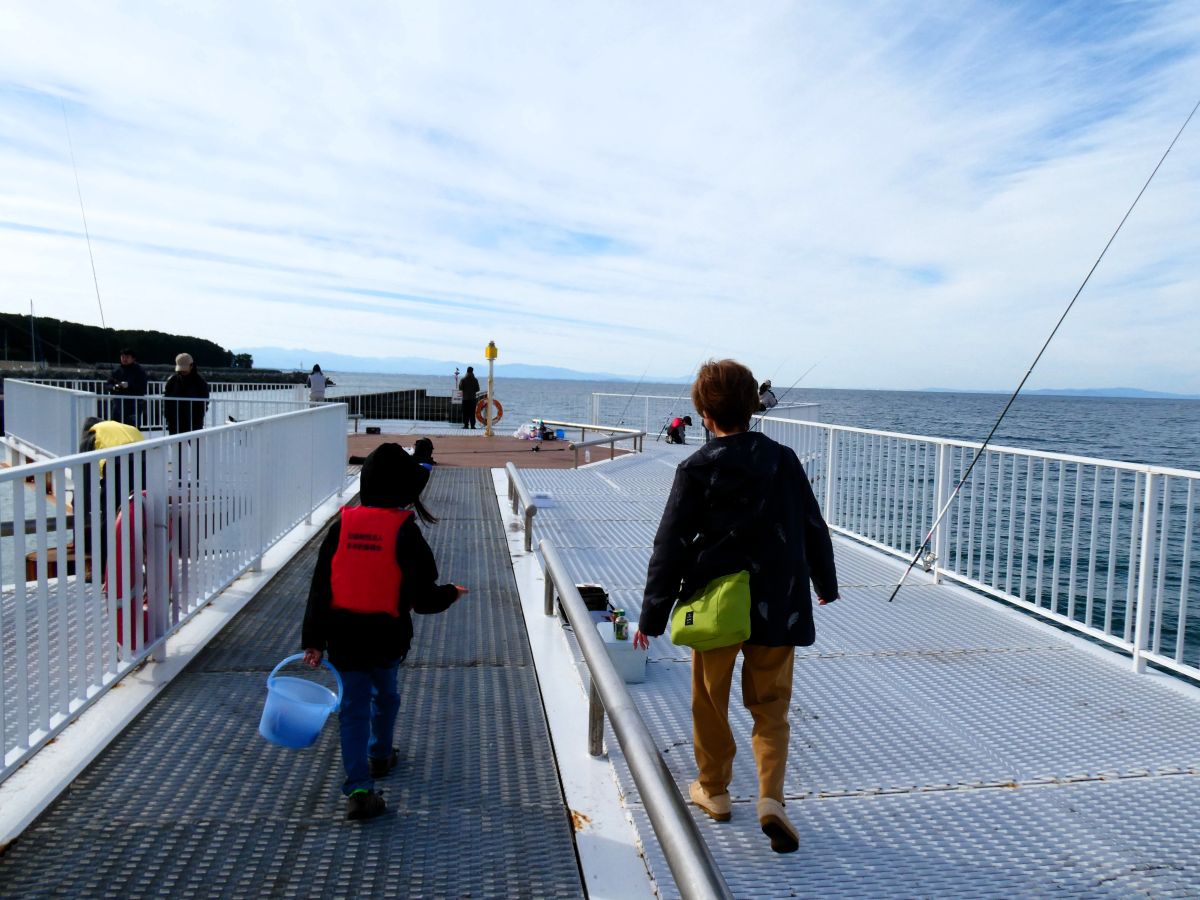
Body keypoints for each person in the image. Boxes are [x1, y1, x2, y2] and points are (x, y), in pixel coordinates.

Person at [633, 359, 838, 854]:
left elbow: (671, 545)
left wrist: (651, 616)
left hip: (717, 604)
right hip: (780, 603)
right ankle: (771, 799)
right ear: (753, 406)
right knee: (771, 708)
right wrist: (825, 581)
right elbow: (812, 524)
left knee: (710, 700)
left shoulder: (697, 467)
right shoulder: (785, 460)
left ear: (703, 413)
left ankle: (715, 791)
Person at [302, 443, 469, 821]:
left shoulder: (341, 527)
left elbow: (320, 588)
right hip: (387, 637)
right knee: (387, 696)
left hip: (343, 638)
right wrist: (451, 595)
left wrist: (312, 641)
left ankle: (359, 787)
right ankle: (380, 754)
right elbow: (423, 596)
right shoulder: (405, 533)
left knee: (352, 710)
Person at [78, 416, 145, 573]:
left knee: (109, 520)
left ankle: (104, 571)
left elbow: (84, 479)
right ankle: (140, 566)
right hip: (145, 463)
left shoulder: (92, 435)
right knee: (141, 514)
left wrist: (81, 508)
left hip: (118, 466)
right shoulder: (122, 427)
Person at [163, 353, 210, 435]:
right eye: (180, 369)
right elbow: (166, 399)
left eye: (184, 369)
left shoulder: (200, 382)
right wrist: (168, 416)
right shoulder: (172, 380)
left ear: (192, 366)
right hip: (174, 421)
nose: (182, 371)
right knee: (177, 446)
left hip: (193, 421)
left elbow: (204, 401)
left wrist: (199, 417)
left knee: (196, 446)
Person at [107, 348, 148, 427]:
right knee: (116, 428)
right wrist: (116, 387)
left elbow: (142, 388)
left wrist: (129, 385)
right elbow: (108, 385)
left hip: (134, 405)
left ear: (133, 358)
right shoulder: (116, 371)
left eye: (127, 357)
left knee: (132, 428)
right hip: (118, 405)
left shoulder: (140, 371)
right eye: (122, 357)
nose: (124, 359)